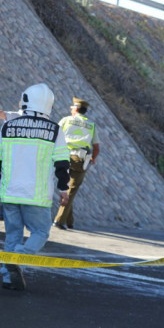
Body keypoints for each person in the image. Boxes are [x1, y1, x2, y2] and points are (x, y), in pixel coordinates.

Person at [0, 83, 70, 291]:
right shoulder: (54, 130)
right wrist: (64, 189)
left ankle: (7, 277)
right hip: (37, 197)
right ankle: (18, 258)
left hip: (10, 194)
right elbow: (62, 164)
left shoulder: (9, 126)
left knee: (12, 235)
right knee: (41, 232)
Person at [52, 97, 100, 230]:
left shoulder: (66, 120)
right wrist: (93, 158)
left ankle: (69, 221)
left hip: (62, 156)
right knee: (71, 190)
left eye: (72, 108)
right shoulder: (91, 125)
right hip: (80, 159)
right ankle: (59, 220)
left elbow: (54, 136)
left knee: (67, 188)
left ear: (76, 109)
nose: (70, 109)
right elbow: (96, 148)